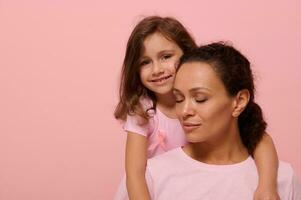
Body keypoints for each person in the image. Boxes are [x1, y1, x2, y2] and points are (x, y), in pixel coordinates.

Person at [114, 16, 279, 200]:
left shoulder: (277, 178)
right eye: (145, 62)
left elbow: (259, 138)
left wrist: (267, 185)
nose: (157, 69)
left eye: (166, 57)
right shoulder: (143, 110)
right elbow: (135, 173)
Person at [144, 42, 301, 199]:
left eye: (200, 99)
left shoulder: (282, 181)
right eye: (178, 99)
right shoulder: (151, 176)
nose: (184, 112)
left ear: (239, 102)